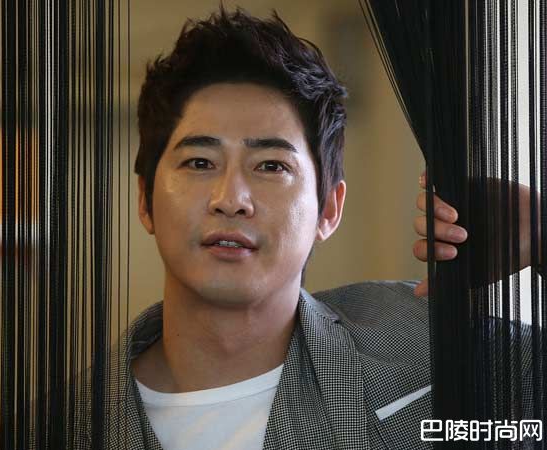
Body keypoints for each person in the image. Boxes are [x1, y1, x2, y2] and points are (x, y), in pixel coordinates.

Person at [85, 7, 535, 450]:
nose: (231, 199)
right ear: (145, 200)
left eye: (271, 165)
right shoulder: (62, 422)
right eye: (200, 162)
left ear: (329, 210)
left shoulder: (427, 348)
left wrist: (541, 233)